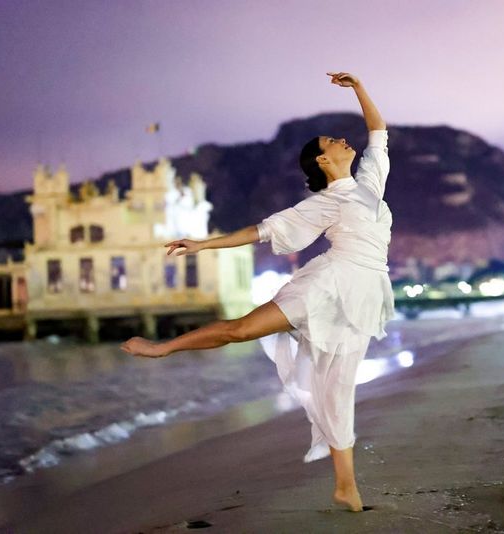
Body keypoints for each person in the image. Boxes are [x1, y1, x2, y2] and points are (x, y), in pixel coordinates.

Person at [120, 71, 395, 513]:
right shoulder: (324, 202)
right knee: (242, 329)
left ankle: (346, 486)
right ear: (323, 162)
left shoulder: (369, 184)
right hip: (328, 283)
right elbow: (262, 230)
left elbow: (378, 132)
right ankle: (162, 349)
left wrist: (359, 88)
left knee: (339, 387)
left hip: (364, 293)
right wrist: (203, 243)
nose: (344, 141)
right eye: (332, 142)